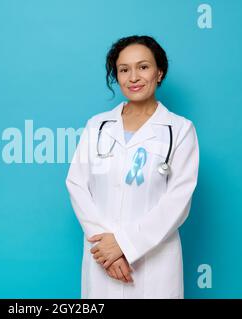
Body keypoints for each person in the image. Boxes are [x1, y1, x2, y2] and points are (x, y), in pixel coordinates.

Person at [65, 35, 199, 299]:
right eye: (124, 70)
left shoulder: (180, 130)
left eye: (143, 67)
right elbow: (77, 185)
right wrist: (107, 250)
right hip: (103, 260)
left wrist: (125, 244)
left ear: (159, 72)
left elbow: (178, 202)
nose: (133, 77)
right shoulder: (98, 126)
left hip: (156, 264)